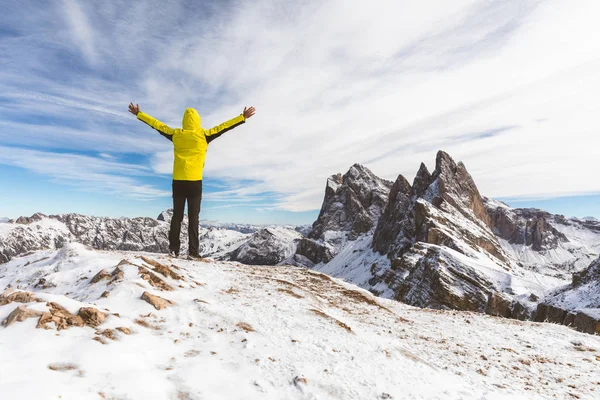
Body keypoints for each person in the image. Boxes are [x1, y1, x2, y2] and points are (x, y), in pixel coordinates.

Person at [128, 102, 256, 259]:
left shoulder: (176, 134)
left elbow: (157, 125)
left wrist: (139, 114)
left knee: (177, 217)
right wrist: (242, 117)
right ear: (198, 121)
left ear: (184, 121)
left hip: (178, 181)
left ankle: (173, 250)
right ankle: (193, 252)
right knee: (193, 218)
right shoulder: (204, 135)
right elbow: (223, 127)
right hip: (195, 182)